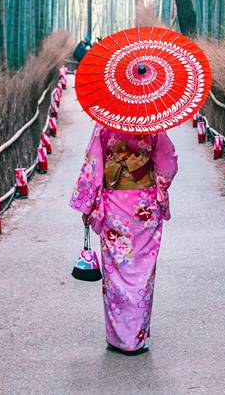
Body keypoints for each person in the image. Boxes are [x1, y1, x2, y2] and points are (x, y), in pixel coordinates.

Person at [69, 123, 178, 355]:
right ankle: (136, 338)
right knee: (142, 271)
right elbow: (168, 162)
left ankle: (119, 337)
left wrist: (87, 206)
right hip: (144, 205)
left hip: (114, 205)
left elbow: (93, 166)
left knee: (115, 270)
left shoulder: (105, 123)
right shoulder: (154, 124)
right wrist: (158, 185)